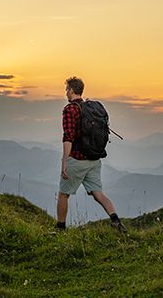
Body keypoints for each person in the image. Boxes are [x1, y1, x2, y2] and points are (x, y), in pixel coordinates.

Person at [56, 75, 126, 232]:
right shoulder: (92, 108)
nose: (66, 93)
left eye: (67, 89)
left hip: (77, 159)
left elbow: (68, 136)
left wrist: (65, 161)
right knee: (98, 194)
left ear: (72, 90)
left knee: (63, 195)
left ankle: (60, 229)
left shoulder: (70, 109)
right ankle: (116, 220)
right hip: (94, 159)